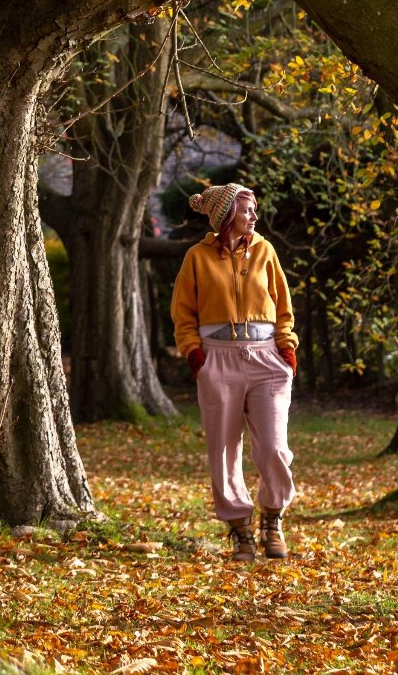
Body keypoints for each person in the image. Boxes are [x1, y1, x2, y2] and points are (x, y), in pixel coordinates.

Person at [170, 183, 298, 562]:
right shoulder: (196, 257)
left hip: (267, 360)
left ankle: (272, 519)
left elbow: (284, 305)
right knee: (223, 451)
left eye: (254, 209)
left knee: (274, 447)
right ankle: (240, 530)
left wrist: (287, 350)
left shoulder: (265, 251)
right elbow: (183, 314)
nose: (254, 216)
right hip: (217, 360)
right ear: (227, 215)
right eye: (247, 210)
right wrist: (195, 356)